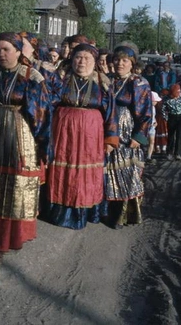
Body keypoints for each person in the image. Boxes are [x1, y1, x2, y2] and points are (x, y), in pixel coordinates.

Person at [0, 32, 51, 265]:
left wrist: (42, 144)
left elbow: (42, 113)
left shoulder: (31, 76)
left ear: (17, 51)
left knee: (14, 186)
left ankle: (5, 242)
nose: (1, 54)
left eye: (6, 49)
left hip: (19, 136)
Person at [47, 44, 118, 229]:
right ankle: (60, 211)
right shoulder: (61, 79)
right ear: (72, 59)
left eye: (87, 58)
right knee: (64, 168)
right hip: (63, 132)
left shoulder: (102, 83)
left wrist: (111, 138)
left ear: (94, 62)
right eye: (79, 57)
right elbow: (47, 104)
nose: (82, 62)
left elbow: (111, 112)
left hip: (90, 136)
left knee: (84, 173)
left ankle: (84, 211)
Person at [104, 44, 152, 229]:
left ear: (132, 63)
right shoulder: (108, 80)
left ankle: (122, 215)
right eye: (117, 60)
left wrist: (138, 137)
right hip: (108, 131)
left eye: (124, 60)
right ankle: (107, 211)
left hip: (127, 134)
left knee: (126, 174)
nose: (120, 64)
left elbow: (147, 112)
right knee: (109, 172)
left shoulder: (139, 83)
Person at [162, 84, 181, 161]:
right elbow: (163, 109)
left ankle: (177, 153)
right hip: (171, 117)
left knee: (179, 135)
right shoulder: (166, 98)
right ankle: (169, 152)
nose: (175, 97)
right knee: (171, 136)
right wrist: (166, 118)